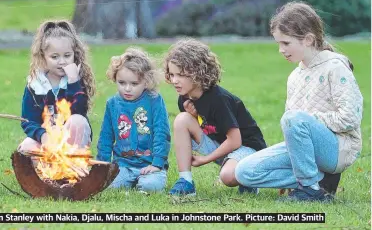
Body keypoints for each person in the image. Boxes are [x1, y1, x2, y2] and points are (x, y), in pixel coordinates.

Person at [235, 1, 364, 202]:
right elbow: (294, 129)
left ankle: (309, 189)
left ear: (308, 39)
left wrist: (306, 121)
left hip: (337, 149)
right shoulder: (294, 76)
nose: (281, 50)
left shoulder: (335, 68)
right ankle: (318, 181)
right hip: (307, 152)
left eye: (285, 43)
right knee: (243, 172)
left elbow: (350, 118)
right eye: (278, 43)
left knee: (293, 119)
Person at [165, 38, 267, 197]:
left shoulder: (219, 98)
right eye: (171, 74)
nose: (174, 80)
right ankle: (186, 182)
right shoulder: (185, 98)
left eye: (181, 75)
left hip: (247, 150)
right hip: (221, 146)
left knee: (226, 176)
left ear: (199, 73)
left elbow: (235, 141)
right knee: (182, 119)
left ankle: (249, 179)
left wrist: (204, 160)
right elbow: (209, 126)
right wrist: (195, 117)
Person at [96, 47, 171, 192]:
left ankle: (147, 181)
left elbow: (162, 133)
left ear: (146, 81)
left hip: (150, 165)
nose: (127, 89)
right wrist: (102, 168)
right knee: (107, 187)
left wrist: (157, 163)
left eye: (134, 84)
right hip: (123, 166)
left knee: (151, 186)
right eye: (121, 83)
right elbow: (106, 138)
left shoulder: (154, 100)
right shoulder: (112, 104)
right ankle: (128, 181)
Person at [17, 20, 96, 155]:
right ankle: (47, 172)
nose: (62, 61)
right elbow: (28, 121)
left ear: (74, 54)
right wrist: (43, 135)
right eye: (55, 57)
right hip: (48, 142)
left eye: (67, 55)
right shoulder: (35, 85)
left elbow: (80, 111)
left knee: (78, 120)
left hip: (73, 142)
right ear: (43, 57)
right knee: (26, 147)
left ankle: (74, 167)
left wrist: (73, 81)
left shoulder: (75, 80)